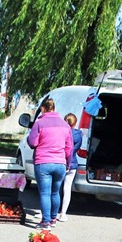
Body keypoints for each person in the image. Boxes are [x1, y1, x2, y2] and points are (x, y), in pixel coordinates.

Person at [26, 98, 72, 230]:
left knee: (45, 193)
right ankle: (53, 219)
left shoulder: (39, 123)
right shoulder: (65, 125)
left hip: (43, 162)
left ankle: (45, 222)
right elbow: (69, 148)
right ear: (54, 108)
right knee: (55, 192)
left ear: (42, 109)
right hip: (60, 163)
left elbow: (32, 143)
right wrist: (67, 163)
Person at [57, 113, 83, 222]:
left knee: (55, 188)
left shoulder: (61, 133)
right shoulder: (78, 134)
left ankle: (51, 212)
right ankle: (63, 213)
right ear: (75, 123)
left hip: (61, 161)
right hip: (72, 163)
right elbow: (75, 149)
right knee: (67, 189)